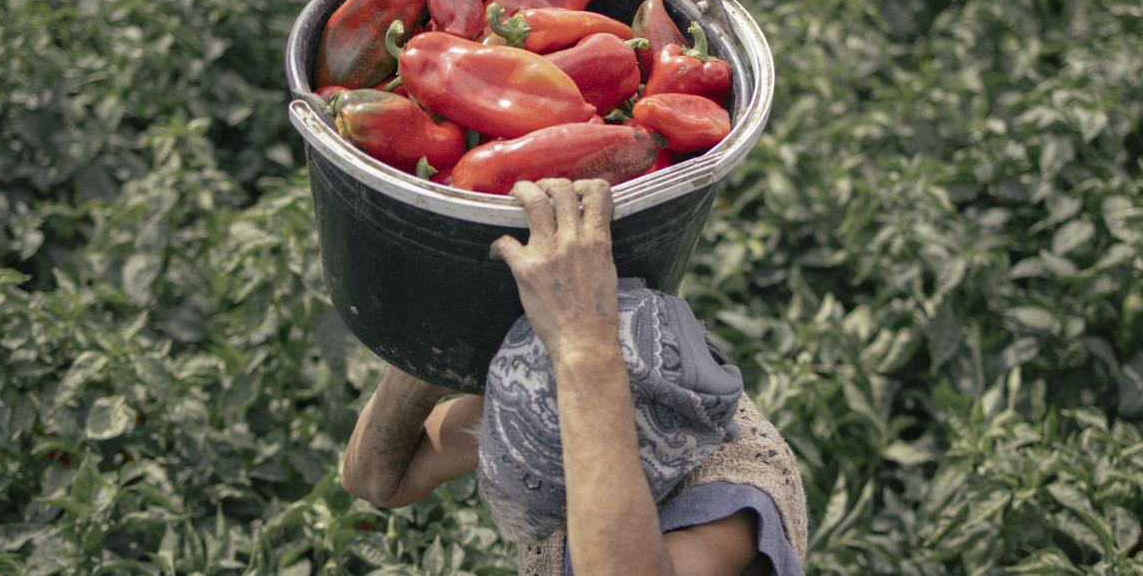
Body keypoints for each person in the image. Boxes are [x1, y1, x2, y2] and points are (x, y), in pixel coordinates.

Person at [341, 179, 807, 575]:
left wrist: (584, 346)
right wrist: (429, 357)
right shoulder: (540, 397)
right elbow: (376, 481)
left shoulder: (735, 494)